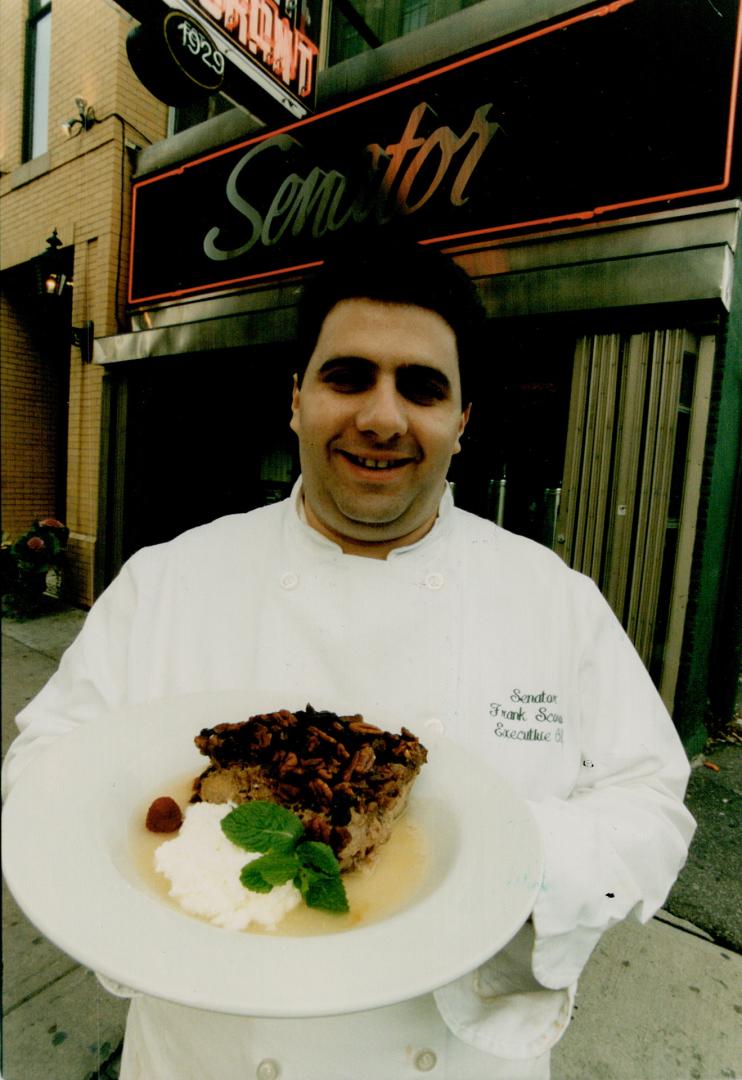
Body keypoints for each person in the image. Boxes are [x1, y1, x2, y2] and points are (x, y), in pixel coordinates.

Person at [2, 236, 695, 1079]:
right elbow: (46, 768)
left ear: (462, 421)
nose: (381, 417)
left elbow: (651, 802)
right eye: (348, 376)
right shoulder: (170, 580)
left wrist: (506, 860)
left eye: (423, 387)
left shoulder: (554, 599)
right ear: (296, 399)